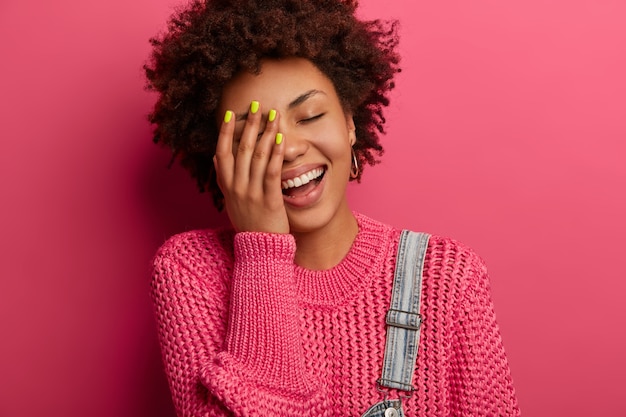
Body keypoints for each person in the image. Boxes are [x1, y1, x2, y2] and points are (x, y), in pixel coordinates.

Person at [144, 0, 520, 415]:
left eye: (309, 116)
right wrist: (262, 251)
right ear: (218, 156)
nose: (286, 151)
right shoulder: (190, 273)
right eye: (252, 136)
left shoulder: (448, 277)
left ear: (349, 122)